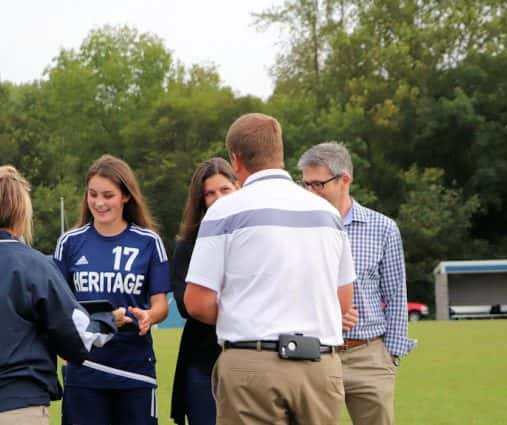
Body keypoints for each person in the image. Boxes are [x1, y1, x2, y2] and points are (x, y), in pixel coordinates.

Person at [184, 113, 356, 425]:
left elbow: (197, 302)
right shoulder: (327, 213)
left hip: (252, 362)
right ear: (279, 152)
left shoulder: (224, 211)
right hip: (320, 364)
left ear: (235, 160)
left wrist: (246, 312)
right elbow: (343, 301)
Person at [0, 166, 129, 425]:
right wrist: (109, 320)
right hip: (15, 404)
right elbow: (77, 337)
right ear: (20, 211)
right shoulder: (32, 264)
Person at [298, 142, 414, 425]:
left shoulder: (382, 228)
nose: (310, 192)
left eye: (318, 184)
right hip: (316, 354)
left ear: (345, 180)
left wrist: (391, 355)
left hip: (368, 355)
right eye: (305, 184)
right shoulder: (297, 227)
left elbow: (396, 293)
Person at [53, 154, 171, 425]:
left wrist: (149, 316)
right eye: (93, 194)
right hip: (85, 369)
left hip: (134, 369)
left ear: (126, 197)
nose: (99, 202)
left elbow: (161, 304)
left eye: (108, 195)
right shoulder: (69, 243)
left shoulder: (149, 242)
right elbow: (58, 307)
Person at [170, 158, 238, 425]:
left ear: (238, 187)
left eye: (224, 190)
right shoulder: (188, 245)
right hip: (202, 359)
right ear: (200, 200)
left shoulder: (256, 236)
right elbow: (188, 305)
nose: (218, 199)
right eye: (210, 193)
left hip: (250, 360)